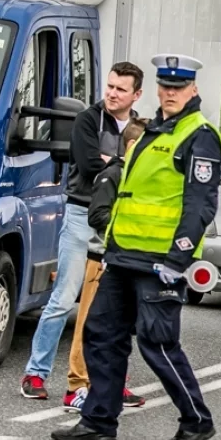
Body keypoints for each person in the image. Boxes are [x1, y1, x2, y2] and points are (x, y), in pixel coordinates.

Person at [51, 54, 221, 440]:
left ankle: (196, 420)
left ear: (193, 90)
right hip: (123, 255)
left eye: (178, 87)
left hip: (159, 262)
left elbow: (200, 205)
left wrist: (179, 258)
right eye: (165, 86)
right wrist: (111, 246)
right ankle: (99, 421)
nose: (170, 93)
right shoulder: (153, 130)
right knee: (101, 334)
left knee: (157, 342)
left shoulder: (199, 135)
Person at [21, 62, 144, 400]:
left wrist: (110, 161)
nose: (112, 93)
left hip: (119, 220)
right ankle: (35, 374)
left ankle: (111, 381)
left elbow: (144, 171)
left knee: (114, 308)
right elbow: (89, 165)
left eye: (121, 89)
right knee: (63, 298)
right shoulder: (87, 120)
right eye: (110, 86)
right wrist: (123, 164)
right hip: (81, 215)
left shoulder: (140, 127)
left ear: (136, 94)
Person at [63, 118, 148, 413]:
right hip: (101, 261)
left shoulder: (140, 178)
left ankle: (108, 384)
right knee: (87, 326)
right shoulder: (112, 174)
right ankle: (75, 387)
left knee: (116, 329)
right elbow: (97, 215)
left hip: (126, 262)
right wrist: (132, 223)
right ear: (132, 145)